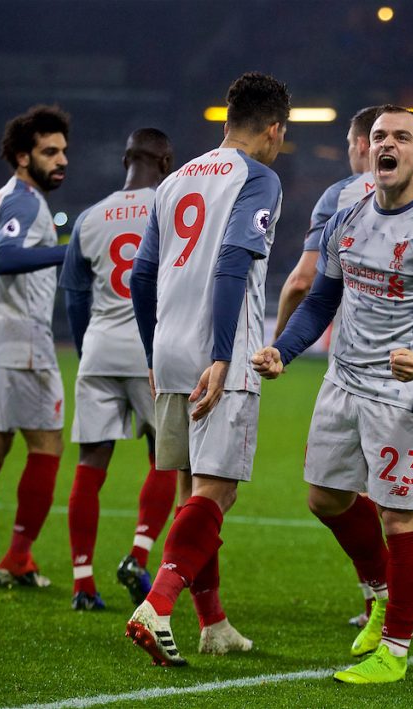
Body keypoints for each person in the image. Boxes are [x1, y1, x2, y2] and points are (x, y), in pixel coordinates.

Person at [253, 105, 413, 684]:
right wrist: (284, 347)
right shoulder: (347, 214)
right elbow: (321, 299)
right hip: (343, 378)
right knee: (324, 499)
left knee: (401, 518)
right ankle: (382, 590)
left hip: (403, 391)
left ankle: (395, 650)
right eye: (380, 135)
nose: (387, 144)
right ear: (366, 149)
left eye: (402, 138)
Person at [124, 72, 290, 666]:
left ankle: (213, 621)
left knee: (193, 487)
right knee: (217, 490)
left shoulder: (175, 180)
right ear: (274, 129)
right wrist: (222, 353)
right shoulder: (260, 177)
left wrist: (152, 351)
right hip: (223, 349)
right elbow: (231, 264)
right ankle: (158, 604)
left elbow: (141, 277)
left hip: (168, 348)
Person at [59, 128, 179, 612]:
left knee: (90, 466)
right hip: (151, 350)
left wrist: (86, 345)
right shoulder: (172, 205)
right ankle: (137, 555)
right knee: (164, 457)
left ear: (125, 158)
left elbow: (74, 295)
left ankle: (82, 582)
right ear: (165, 162)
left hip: (99, 349)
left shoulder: (90, 216)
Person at [0, 105, 70, 588]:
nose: (62, 159)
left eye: (64, 150)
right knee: (47, 446)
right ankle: (19, 557)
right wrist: (74, 249)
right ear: (23, 157)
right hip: (20, 343)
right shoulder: (26, 201)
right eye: (50, 151)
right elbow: (4, 261)